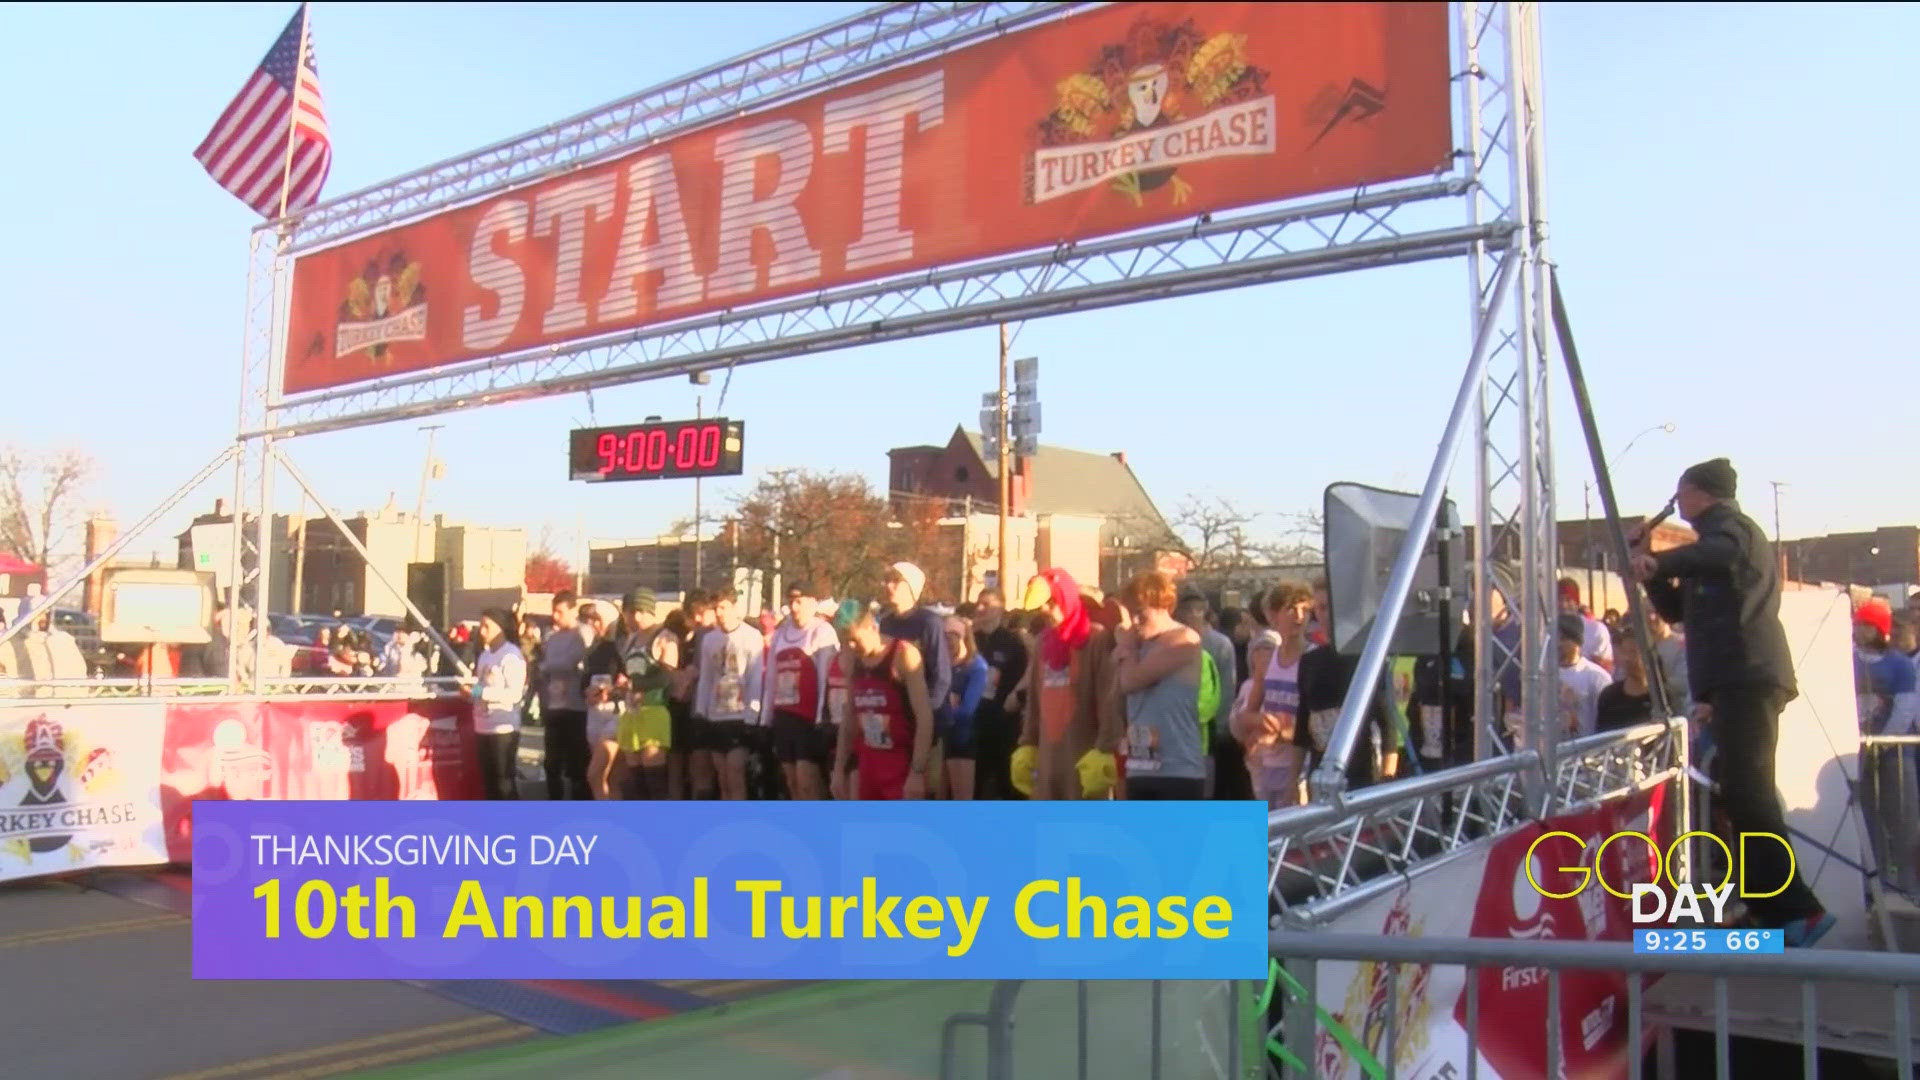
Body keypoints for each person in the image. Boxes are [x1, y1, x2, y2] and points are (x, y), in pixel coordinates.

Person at [1633, 456, 1832, 947]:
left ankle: (1797, 912)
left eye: (1681, 493)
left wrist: (1661, 559)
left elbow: (1716, 554)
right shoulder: (1711, 548)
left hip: (1748, 677)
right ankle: (1771, 912)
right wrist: (1652, 569)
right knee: (1739, 795)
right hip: (1729, 682)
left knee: (1750, 791)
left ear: (1700, 492)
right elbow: (1675, 610)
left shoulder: (1734, 531)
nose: (1676, 503)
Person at [1017, 569, 1119, 800]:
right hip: (1047, 760)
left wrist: (1104, 748)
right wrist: (1027, 743)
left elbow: (1109, 698)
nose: (1045, 610)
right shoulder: (1043, 641)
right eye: (1043, 605)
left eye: (1052, 602)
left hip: (1085, 759)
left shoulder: (1096, 638)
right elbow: (1035, 697)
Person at [1114, 572, 1206, 800]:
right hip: (1139, 764)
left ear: (1163, 607)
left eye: (1140, 614)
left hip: (1177, 770)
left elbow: (1130, 681)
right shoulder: (1136, 645)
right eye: (1130, 614)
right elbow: (1112, 693)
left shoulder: (1183, 639)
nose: (1134, 622)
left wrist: (1126, 647)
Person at [1298, 579, 1399, 787]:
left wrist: (1388, 778)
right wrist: (1294, 782)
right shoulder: (1309, 661)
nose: (1322, 615)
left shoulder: (1368, 660)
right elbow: (1302, 729)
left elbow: (1388, 724)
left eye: (1327, 608)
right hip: (1320, 772)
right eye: (1318, 608)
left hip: (1361, 773)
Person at [831, 610, 935, 800]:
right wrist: (838, 770)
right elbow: (849, 718)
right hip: (869, 762)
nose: (851, 646)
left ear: (872, 628)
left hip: (901, 762)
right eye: (844, 642)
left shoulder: (904, 655)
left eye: (855, 639)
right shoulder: (851, 660)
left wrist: (917, 772)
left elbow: (924, 716)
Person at [1232, 584, 1313, 809]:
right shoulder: (1269, 660)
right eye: (1290, 609)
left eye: (1305, 610)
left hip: (1301, 767)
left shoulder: (1313, 659)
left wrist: (1280, 734)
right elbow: (1245, 715)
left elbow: (1318, 727)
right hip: (1268, 763)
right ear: (1272, 615)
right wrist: (1259, 721)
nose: (1299, 617)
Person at [765, 584, 840, 800]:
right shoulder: (780, 633)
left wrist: (820, 717)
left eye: (800, 601)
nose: (794, 607)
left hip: (808, 718)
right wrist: (765, 719)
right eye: (791, 601)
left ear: (812, 603)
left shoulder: (822, 631)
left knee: (807, 781)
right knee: (792, 782)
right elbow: (771, 677)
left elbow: (825, 678)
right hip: (783, 716)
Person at [694, 588, 765, 800]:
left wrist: (753, 716)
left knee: (735, 772)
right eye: (715, 608)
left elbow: (755, 677)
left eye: (723, 607)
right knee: (722, 776)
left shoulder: (751, 636)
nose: (719, 613)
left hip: (740, 714)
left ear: (735, 608)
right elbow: (706, 678)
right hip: (716, 714)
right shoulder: (709, 639)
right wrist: (701, 711)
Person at [614, 588, 677, 800]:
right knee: (635, 779)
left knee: (654, 779)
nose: (627, 620)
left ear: (639, 612)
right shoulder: (632, 639)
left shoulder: (665, 637)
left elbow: (666, 678)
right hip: (632, 711)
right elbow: (625, 672)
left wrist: (634, 684)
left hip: (654, 711)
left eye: (628, 614)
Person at [1176, 593, 1238, 796]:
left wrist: (1221, 729)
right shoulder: (1171, 643)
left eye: (1195, 610)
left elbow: (1226, 690)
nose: (1190, 615)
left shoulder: (1219, 645)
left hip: (1206, 735)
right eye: (1186, 611)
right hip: (1183, 735)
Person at [971, 588, 1029, 800]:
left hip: (1004, 723)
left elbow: (1024, 680)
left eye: (986, 604)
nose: (980, 608)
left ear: (1000, 609)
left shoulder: (1012, 642)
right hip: (974, 722)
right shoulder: (971, 640)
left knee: (1007, 785)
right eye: (978, 603)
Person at [536, 592, 594, 800]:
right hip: (554, 705)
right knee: (552, 763)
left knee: (578, 762)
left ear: (573, 610)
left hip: (577, 707)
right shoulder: (553, 638)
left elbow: (570, 662)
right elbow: (547, 666)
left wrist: (547, 667)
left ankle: (580, 804)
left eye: (560, 611)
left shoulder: (584, 633)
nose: (555, 616)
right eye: (553, 611)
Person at [472, 608, 526, 800]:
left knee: (503, 782)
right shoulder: (485, 655)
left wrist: (480, 692)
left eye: (487, 626)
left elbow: (514, 694)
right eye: (481, 626)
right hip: (482, 726)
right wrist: (471, 692)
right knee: (488, 782)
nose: (482, 631)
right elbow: (479, 685)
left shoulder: (511, 655)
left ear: (501, 628)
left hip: (503, 728)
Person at [578, 601, 626, 800]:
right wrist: (586, 692)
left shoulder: (623, 646)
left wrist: (613, 691)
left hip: (616, 712)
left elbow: (631, 680)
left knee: (595, 774)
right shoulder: (592, 648)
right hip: (594, 713)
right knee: (610, 778)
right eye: (590, 620)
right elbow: (584, 679)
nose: (593, 624)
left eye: (597, 620)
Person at [942, 615, 990, 799]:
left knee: (961, 798)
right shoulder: (944, 664)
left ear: (962, 638)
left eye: (949, 639)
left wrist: (943, 706)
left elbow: (967, 710)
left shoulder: (977, 667)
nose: (945, 645)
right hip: (943, 734)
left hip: (963, 737)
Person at [1555, 613, 1613, 741]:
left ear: (1577, 643)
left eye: (1564, 639)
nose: (1558, 644)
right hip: (1552, 753)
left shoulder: (1597, 677)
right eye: (1555, 638)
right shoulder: (1544, 674)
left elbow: (1607, 723)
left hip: (1585, 752)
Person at [1596, 629, 1656, 732]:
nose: (1627, 658)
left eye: (1633, 652)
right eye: (1624, 652)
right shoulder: (1609, 696)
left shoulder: (1662, 697)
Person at [1558, 579, 1614, 675]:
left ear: (1577, 603)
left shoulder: (1596, 629)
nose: (1563, 605)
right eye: (1559, 599)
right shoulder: (1547, 630)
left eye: (1568, 599)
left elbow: (1606, 670)